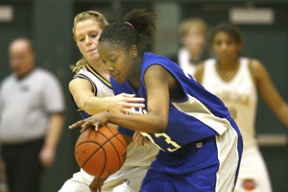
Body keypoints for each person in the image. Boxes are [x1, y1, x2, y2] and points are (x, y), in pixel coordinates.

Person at [69, 9, 243, 192]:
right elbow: (127, 133)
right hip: (174, 154)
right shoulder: (119, 80)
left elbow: (158, 121)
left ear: (132, 51)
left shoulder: (154, 70)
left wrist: (108, 116)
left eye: (113, 59)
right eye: (104, 61)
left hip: (211, 145)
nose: (109, 67)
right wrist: (103, 174)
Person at [58, 10, 159, 192]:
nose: (88, 41)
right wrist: (110, 104)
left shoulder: (135, 66)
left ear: (106, 34)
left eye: (93, 35)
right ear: (78, 46)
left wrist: (146, 124)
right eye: (81, 39)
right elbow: (87, 102)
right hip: (105, 159)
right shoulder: (81, 81)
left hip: (146, 163)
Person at [194, 23, 288, 192]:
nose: (224, 47)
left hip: (247, 152)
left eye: (229, 42)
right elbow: (186, 109)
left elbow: (280, 106)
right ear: (212, 46)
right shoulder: (203, 70)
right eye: (219, 42)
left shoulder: (253, 69)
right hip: (215, 154)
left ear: (239, 45)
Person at [0, 38, 65, 192]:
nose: (16, 62)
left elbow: (57, 115)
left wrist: (49, 148)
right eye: (13, 57)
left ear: (32, 55)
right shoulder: (6, 85)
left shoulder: (45, 81)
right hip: (8, 150)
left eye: (21, 57)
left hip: (31, 149)